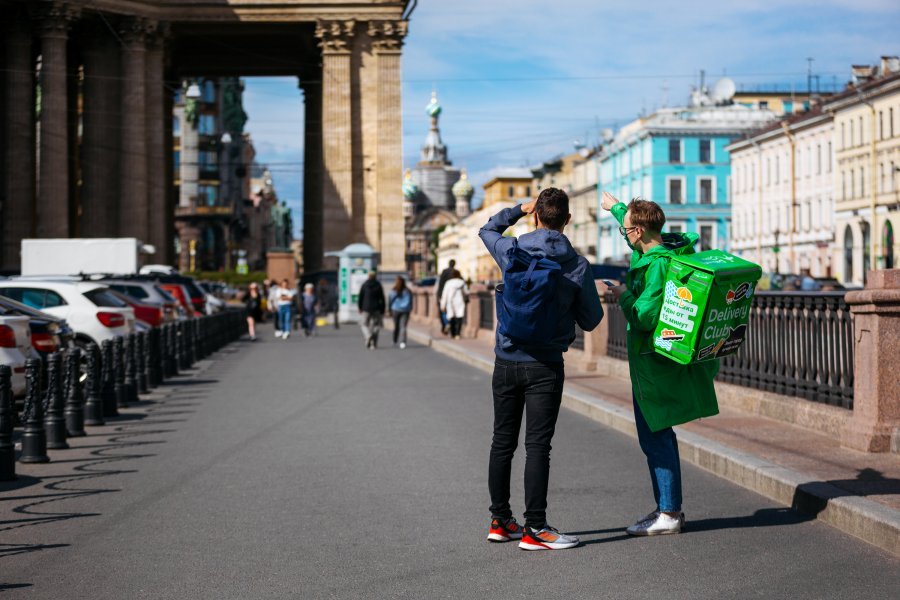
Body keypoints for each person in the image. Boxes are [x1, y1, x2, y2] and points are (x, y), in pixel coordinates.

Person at [478, 187, 604, 551]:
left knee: (502, 442)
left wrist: (517, 208)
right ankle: (536, 528)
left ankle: (500, 521)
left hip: (506, 361)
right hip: (545, 366)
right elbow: (592, 320)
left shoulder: (512, 251)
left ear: (536, 216)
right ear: (567, 220)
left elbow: (487, 231)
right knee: (537, 447)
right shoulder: (577, 265)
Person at [601, 191, 719, 536]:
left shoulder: (655, 265)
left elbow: (645, 314)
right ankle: (667, 508)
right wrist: (617, 208)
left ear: (637, 232)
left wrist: (621, 293)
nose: (624, 235)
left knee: (655, 436)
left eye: (626, 230)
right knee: (659, 433)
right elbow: (636, 223)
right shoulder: (666, 250)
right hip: (659, 361)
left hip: (654, 364)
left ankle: (668, 512)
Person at [357, 271, 386, 349]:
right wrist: (383, 309)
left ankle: (368, 335)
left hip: (366, 308)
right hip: (377, 308)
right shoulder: (378, 285)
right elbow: (382, 298)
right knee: (376, 325)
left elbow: (360, 297)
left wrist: (360, 307)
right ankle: (374, 343)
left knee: (363, 324)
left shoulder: (364, 285)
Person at [439, 270, 468, 339]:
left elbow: (444, 294)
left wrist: (442, 304)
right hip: (460, 301)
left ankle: (452, 333)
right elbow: (466, 292)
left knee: (452, 318)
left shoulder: (448, 283)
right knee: (459, 317)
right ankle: (457, 334)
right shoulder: (462, 282)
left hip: (450, 301)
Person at [388, 276, 413, 349]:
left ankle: (395, 340)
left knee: (396, 326)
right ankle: (403, 342)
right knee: (403, 326)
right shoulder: (408, 291)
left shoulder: (393, 290)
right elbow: (411, 301)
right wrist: (410, 308)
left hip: (395, 309)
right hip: (405, 310)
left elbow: (390, 301)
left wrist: (389, 310)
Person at [435, 259, 457, 334]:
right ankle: (451, 326)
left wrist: (439, 295)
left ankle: (446, 324)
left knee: (443, 310)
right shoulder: (456, 272)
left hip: (443, 294)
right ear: (454, 264)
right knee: (452, 311)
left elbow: (440, 283)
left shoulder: (444, 271)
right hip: (454, 295)